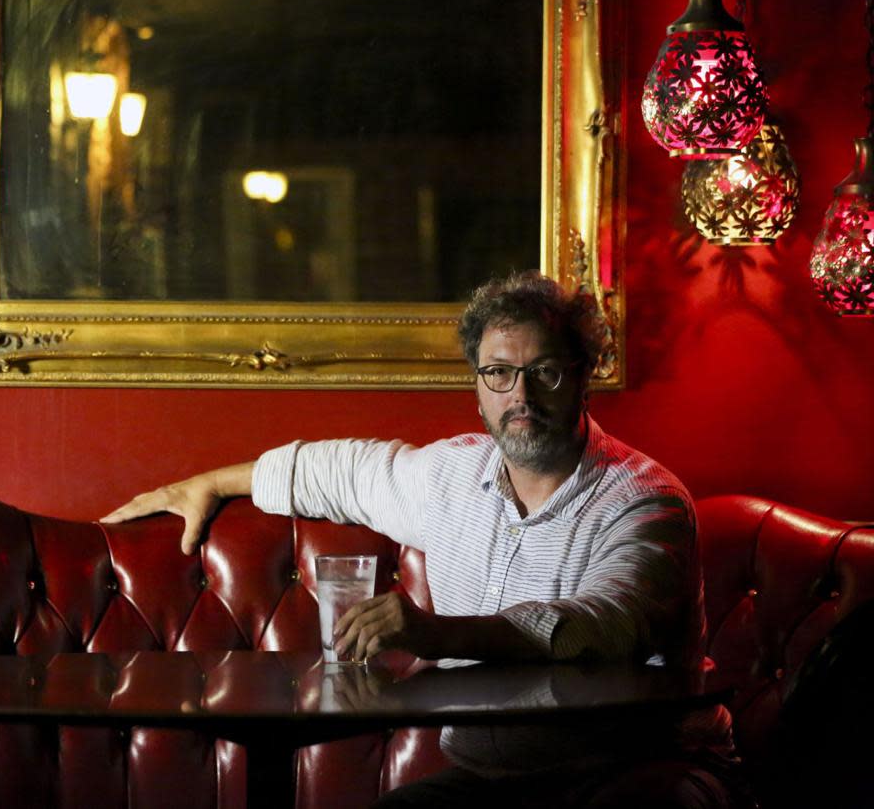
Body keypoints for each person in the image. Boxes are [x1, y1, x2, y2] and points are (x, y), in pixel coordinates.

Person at [103, 271, 746, 808]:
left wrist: (434, 634)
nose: (519, 395)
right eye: (498, 373)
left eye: (544, 372)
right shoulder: (449, 475)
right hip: (492, 786)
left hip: (645, 772)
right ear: (477, 388)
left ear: (583, 375)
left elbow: (603, 626)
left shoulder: (644, 500)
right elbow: (333, 472)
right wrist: (207, 484)